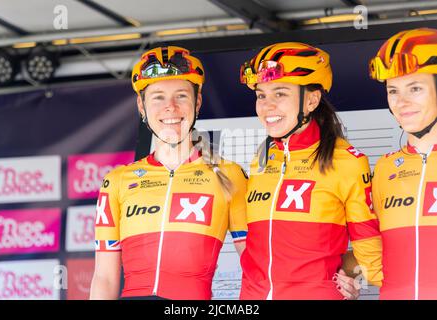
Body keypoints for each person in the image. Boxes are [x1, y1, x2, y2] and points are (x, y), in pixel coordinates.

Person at [89, 46, 248, 300]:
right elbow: (104, 278)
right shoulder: (116, 181)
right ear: (141, 105)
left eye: (181, 96)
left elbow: (256, 269)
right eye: (158, 97)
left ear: (197, 101)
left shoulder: (229, 175)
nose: (170, 107)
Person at [238, 42, 383, 300]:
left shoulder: (347, 161)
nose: (267, 106)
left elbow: (371, 255)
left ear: (312, 99)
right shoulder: (260, 160)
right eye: (261, 95)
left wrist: (350, 274)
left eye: (280, 94)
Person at [369, 27, 437, 300]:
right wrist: (347, 273)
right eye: (393, 90)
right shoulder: (385, 169)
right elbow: (373, 250)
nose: (402, 102)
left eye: (416, 88)